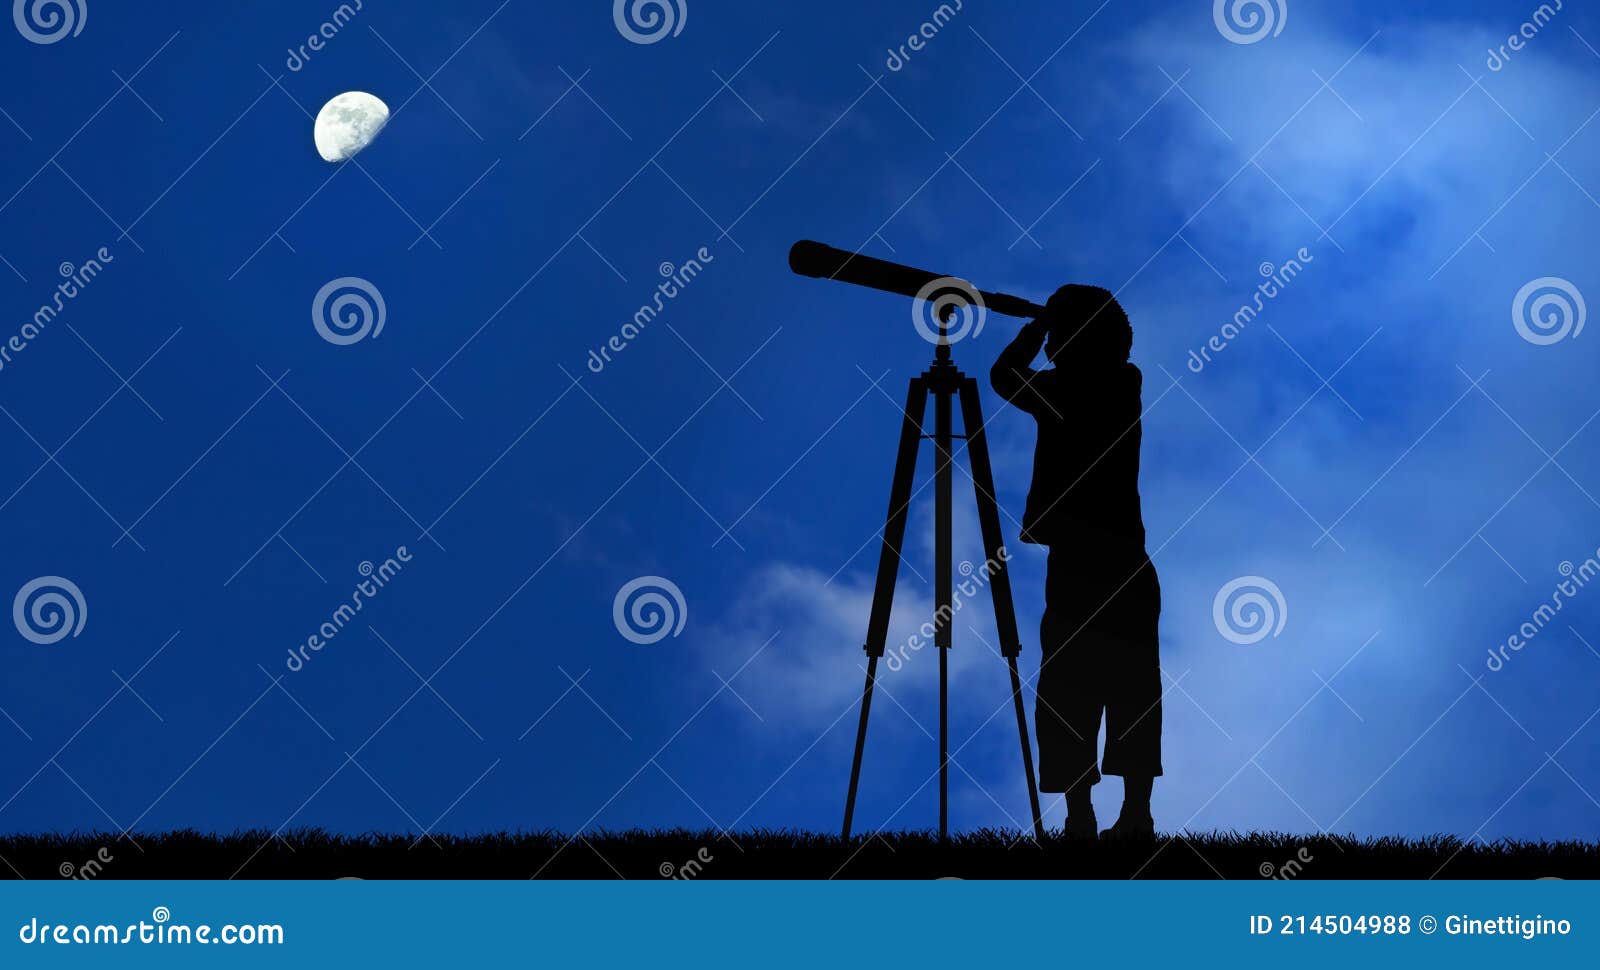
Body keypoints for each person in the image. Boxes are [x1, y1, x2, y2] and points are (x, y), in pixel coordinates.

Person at [989, 284, 1162, 841]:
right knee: (1119, 687)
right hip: (1121, 563)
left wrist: (1032, 330)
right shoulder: (1120, 382)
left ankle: (1093, 817)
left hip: (1086, 565)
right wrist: (1049, 324)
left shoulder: (1081, 387)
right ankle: (1122, 815)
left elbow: (1003, 377)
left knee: (1075, 688)